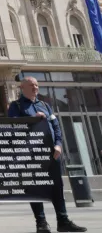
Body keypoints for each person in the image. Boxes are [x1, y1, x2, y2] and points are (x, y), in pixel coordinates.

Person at [8, 77, 86, 233]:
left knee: (57, 187)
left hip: (52, 154)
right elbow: (13, 125)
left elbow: (56, 127)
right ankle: (41, 223)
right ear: (22, 87)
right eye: (31, 85)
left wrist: (58, 144)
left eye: (37, 85)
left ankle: (63, 221)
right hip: (32, 155)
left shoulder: (45, 105)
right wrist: (32, 119)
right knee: (34, 188)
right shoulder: (15, 106)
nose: (35, 87)